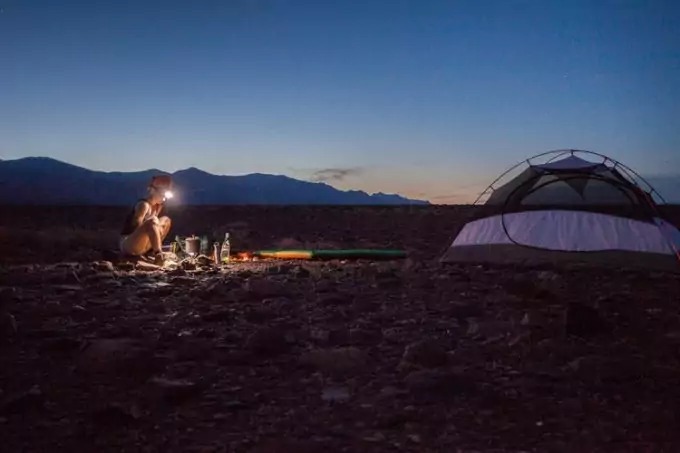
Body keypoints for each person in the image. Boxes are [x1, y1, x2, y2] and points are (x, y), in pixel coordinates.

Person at [119, 175, 173, 265]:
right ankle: (158, 255)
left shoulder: (157, 206)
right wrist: (152, 225)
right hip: (128, 243)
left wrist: (156, 229)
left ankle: (152, 251)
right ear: (153, 190)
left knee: (166, 220)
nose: (164, 197)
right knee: (153, 221)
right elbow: (135, 227)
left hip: (142, 245)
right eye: (162, 193)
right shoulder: (143, 205)